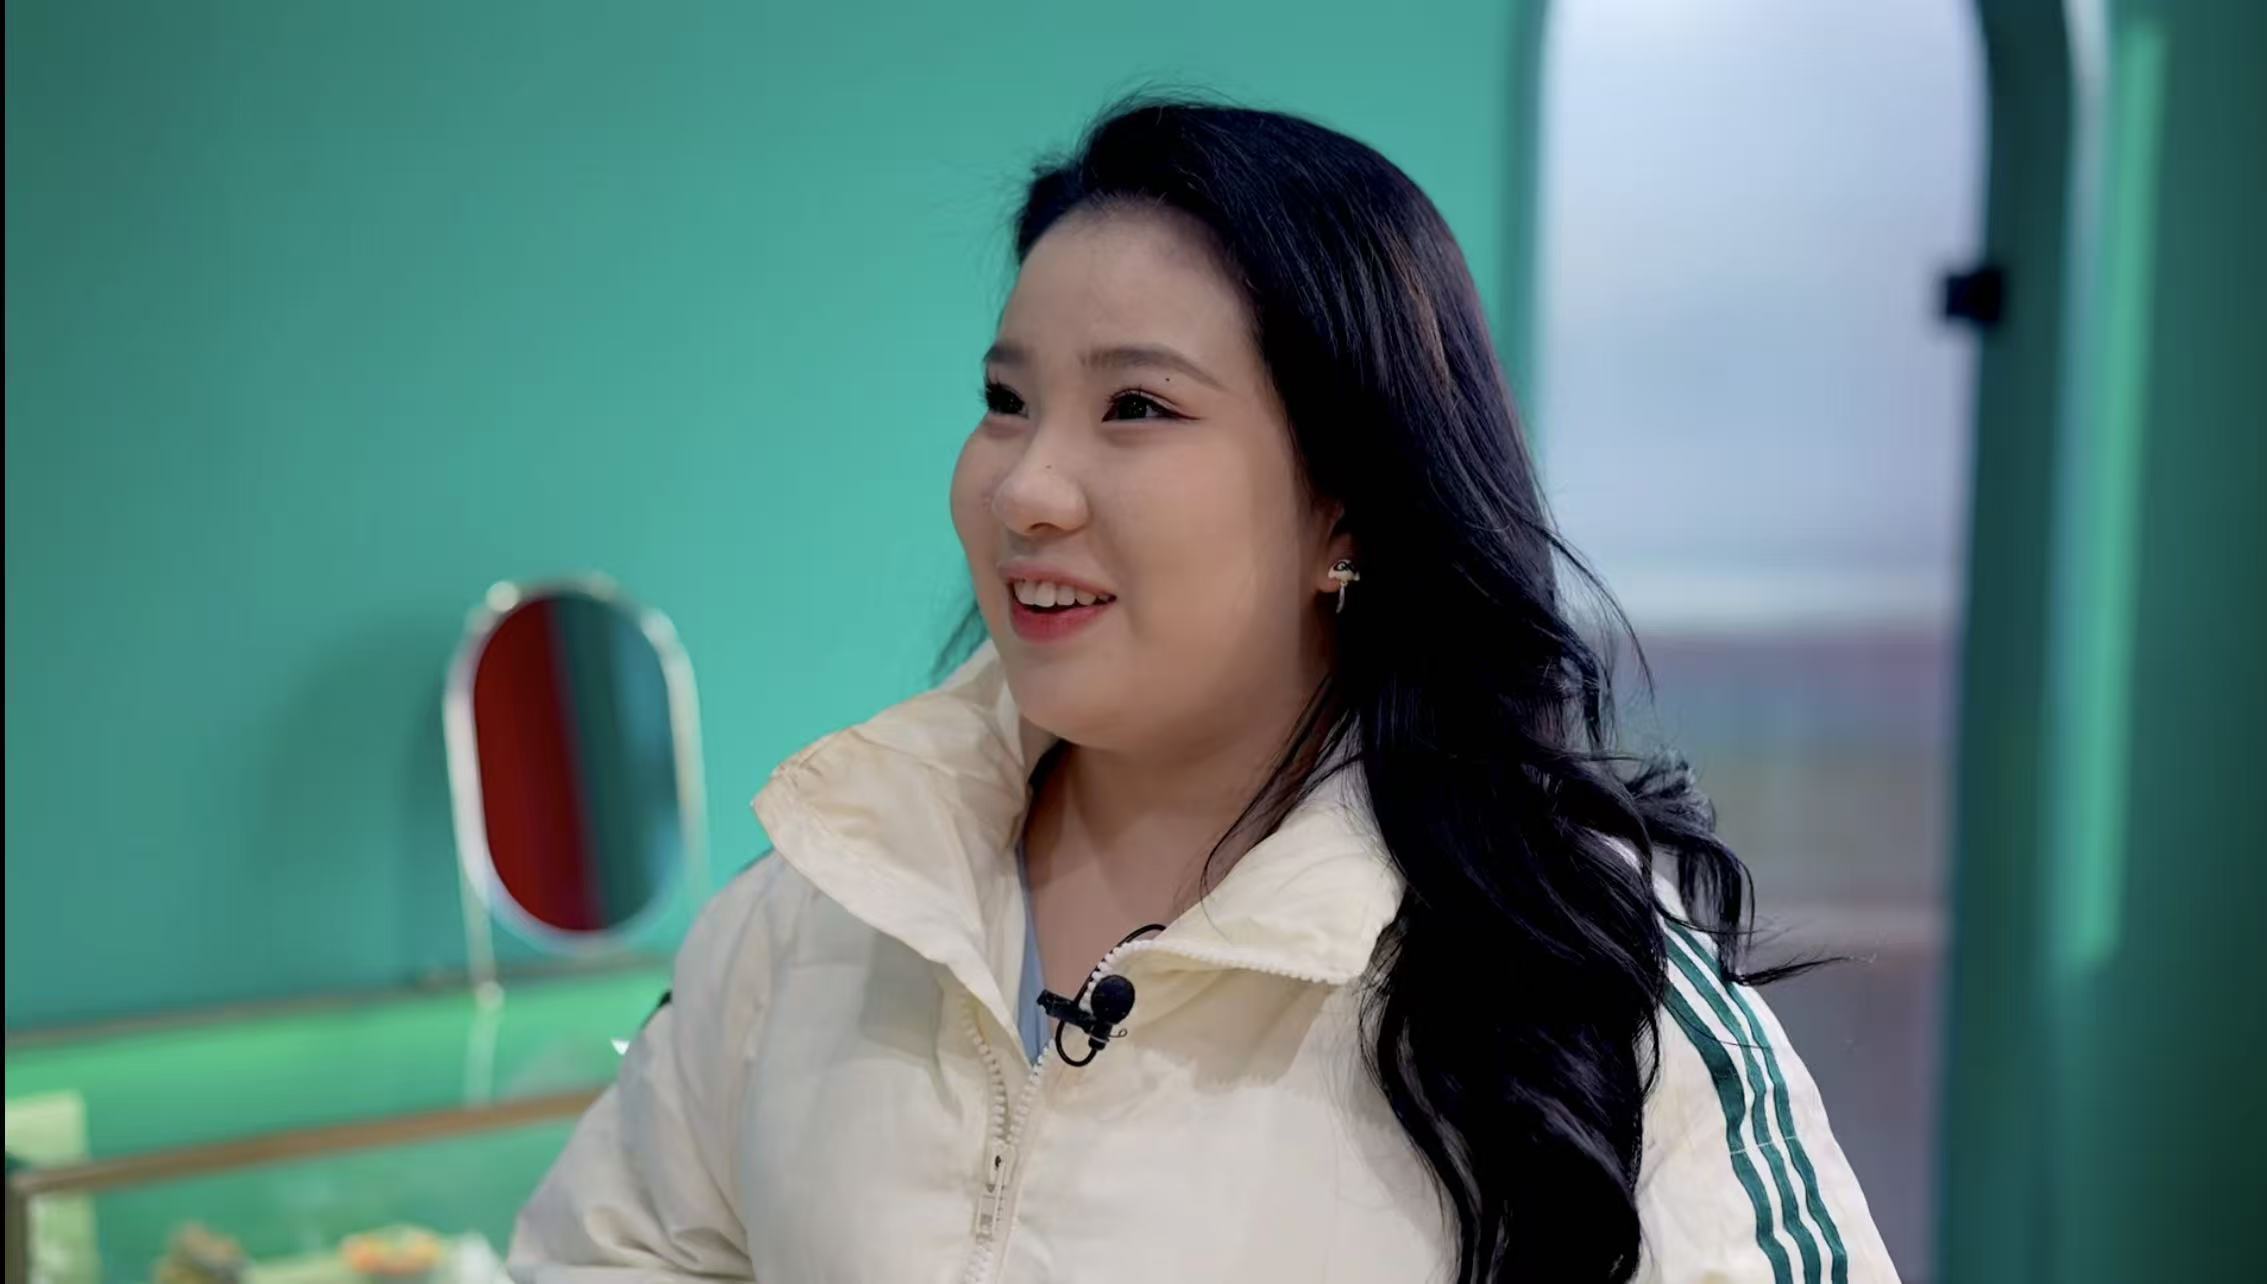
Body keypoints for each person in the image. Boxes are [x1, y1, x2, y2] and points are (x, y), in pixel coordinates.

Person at [510, 97, 1897, 1284]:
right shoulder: (822, 907)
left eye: (1138, 407)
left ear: (1349, 507)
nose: (1027, 487)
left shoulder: (1582, 990)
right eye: (1006, 400)